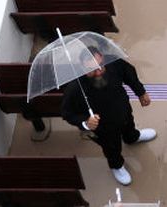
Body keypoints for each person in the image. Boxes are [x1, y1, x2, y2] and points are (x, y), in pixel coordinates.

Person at [60, 46, 156, 185]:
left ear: (103, 59)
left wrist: (141, 92)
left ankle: (132, 137)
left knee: (129, 125)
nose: (98, 72)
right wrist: (85, 122)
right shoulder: (75, 87)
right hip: (104, 127)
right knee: (111, 148)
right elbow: (67, 113)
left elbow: (129, 73)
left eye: (100, 65)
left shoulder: (114, 63)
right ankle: (116, 165)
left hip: (123, 110)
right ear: (83, 68)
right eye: (92, 70)